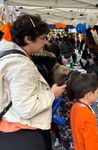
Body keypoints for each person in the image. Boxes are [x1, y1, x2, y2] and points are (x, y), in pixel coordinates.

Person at [0, 14, 66, 150]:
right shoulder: (21, 65)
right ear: (28, 39)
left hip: (11, 129)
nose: (45, 42)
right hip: (22, 133)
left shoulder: (9, 55)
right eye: (42, 38)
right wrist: (52, 94)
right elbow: (26, 108)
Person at [69, 73, 98, 150]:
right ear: (89, 95)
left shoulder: (75, 106)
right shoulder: (87, 115)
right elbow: (92, 147)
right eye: (97, 92)